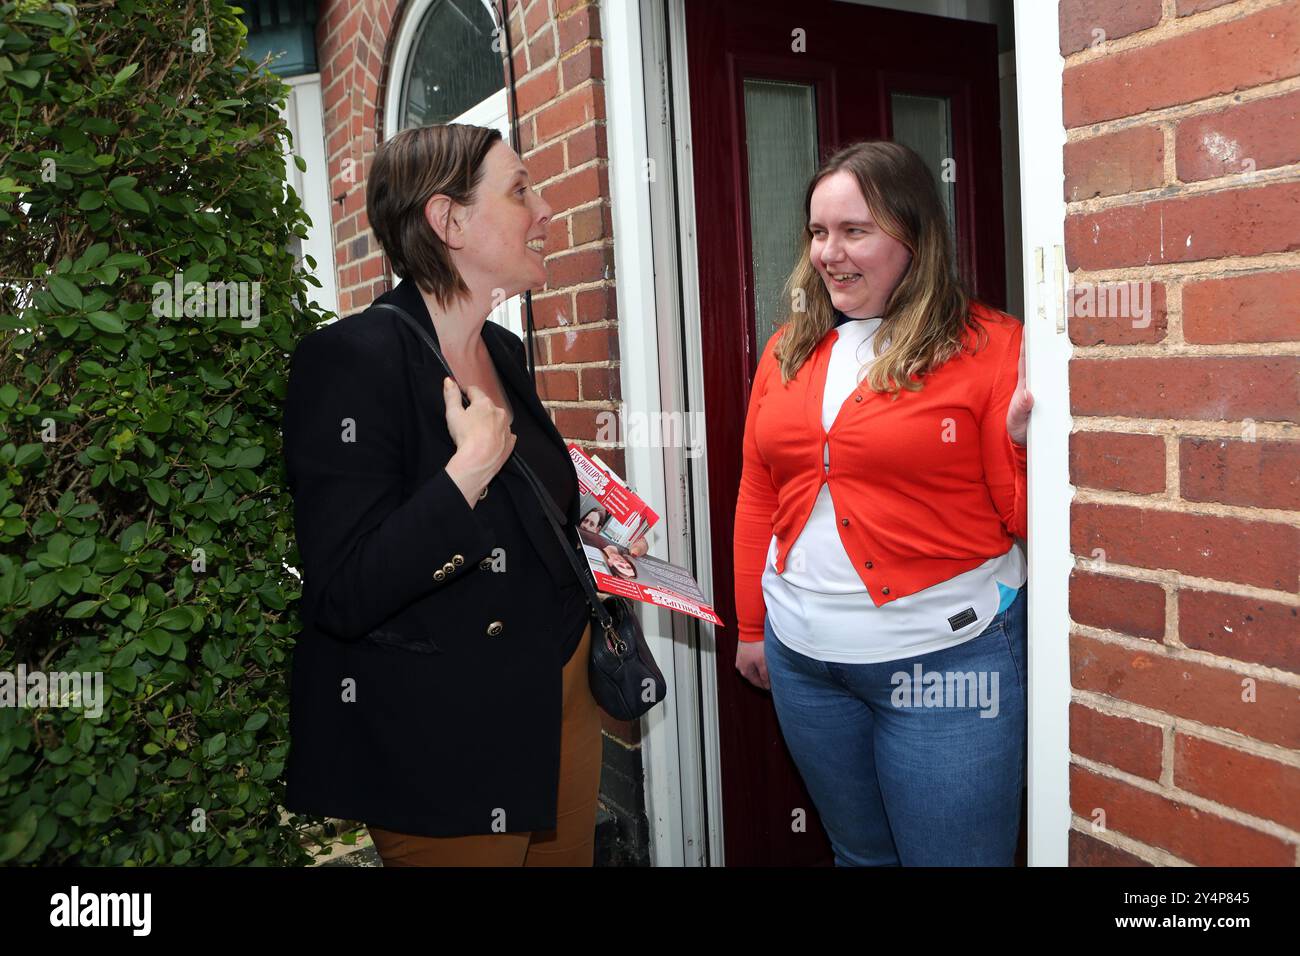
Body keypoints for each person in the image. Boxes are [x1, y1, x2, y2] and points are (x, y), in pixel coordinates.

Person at [282, 123, 645, 867]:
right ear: (448, 221)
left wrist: (589, 537)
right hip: (444, 733)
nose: (544, 210)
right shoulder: (347, 362)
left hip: (563, 694)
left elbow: (527, 503)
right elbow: (343, 593)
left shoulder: (503, 350)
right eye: (520, 191)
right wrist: (464, 474)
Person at [732, 139, 1034, 866]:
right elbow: (758, 491)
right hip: (805, 664)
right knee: (859, 857)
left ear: (915, 236)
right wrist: (749, 625)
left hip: (947, 664)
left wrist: (1027, 451)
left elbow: (1029, 523)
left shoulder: (992, 348)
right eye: (818, 232)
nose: (829, 253)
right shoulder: (786, 351)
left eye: (855, 231)